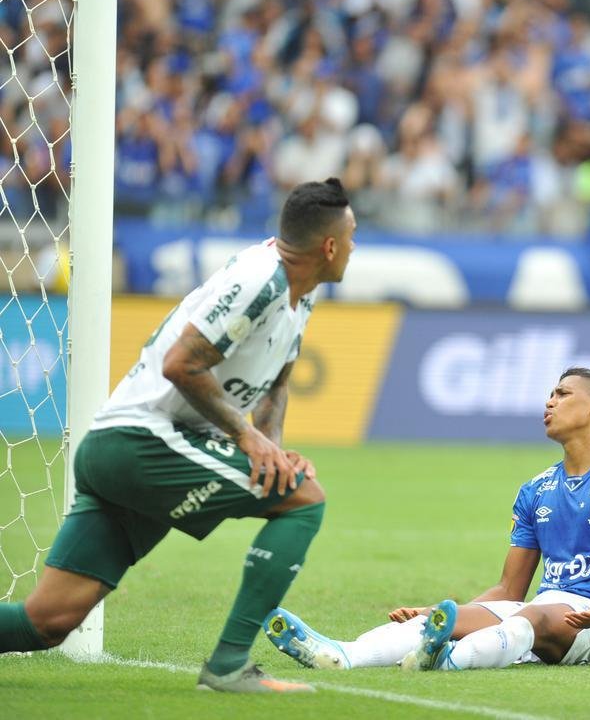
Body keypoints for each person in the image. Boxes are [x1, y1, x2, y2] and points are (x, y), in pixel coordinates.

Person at [0, 178, 357, 693]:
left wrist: (272, 446)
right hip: (140, 441)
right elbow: (180, 364)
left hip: (127, 448)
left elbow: (275, 386)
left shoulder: (302, 295)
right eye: (351, 238)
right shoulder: (261, 281)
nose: (352, 248)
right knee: (303, 501)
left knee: (48, 621)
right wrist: (248, 439)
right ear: (329, 246)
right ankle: (230, 664)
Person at [262, 367, 590, 671]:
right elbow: (510, 587)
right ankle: (342, 654)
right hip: (544, 609)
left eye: (562, 393)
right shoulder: (535, 489)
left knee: (532, 617)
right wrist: (436, 611)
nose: (549, 402)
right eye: (549, 394)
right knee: (451, 619)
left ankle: (448, 661)